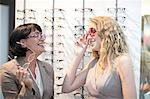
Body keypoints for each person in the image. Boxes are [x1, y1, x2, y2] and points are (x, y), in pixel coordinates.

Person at [62, 16, 137, 99]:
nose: (89, 37)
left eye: (92, 31)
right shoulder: (94, 63)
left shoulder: (122, 61)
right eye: (87, 33)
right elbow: (67, 88)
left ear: (106, 33)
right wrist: (78, 55)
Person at [0, 23, 54, 99]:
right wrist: (27, 87)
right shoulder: (7, 70)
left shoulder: (48, 68)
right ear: (23, 43)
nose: (42, 39)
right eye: (36, 35)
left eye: (41, 35)